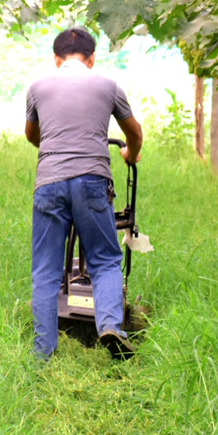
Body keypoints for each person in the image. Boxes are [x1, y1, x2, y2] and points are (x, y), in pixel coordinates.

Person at [25, 27, 144, 360]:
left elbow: (32, 136)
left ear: (56, 58)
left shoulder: (37, 87)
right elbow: (134, 133)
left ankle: (43, 351)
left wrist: (56, 146)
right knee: (104, 260)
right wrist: (130, 155)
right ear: (92, 59)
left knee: (46, 269)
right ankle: (110, 326)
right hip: (92, 181)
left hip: (49, 182)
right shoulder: (109, 86)